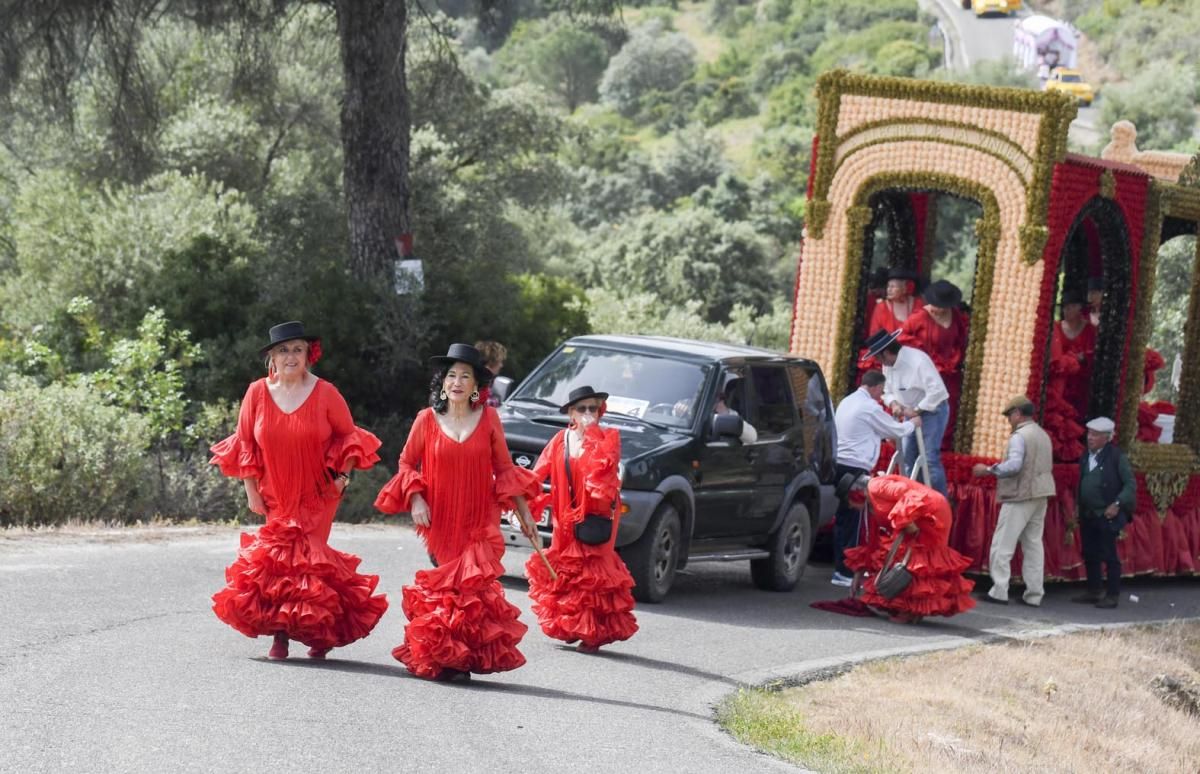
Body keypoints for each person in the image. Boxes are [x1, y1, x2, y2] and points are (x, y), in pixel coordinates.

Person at [210, 321, 388, 661]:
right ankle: (282, 634)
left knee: (309, 560)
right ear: (272, 358)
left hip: (318, 492)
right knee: (279, 562)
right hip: (274, 490)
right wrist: (251, 490)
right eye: (282, 350)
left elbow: (350, 437)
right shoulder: (257, 393)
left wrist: (342, 476)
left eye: (296, 349)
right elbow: (245, 442)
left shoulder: (326, 393)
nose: (290, 356)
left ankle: (316, 629)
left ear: (309, 355)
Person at [375, 343, 541, 681]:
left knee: (471, 590)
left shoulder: (490, 418)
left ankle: (460, 659)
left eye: (465, 376)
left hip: (480, 516)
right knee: (447, 591)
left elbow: (505, 468)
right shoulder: (426, 419)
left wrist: (525, 515)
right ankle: (444, 654)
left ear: (477, 385)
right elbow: (407, 462)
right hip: (441, 518)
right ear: (443, 382)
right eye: (451, 375)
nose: (457, 382)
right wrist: (417, 498)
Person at [525, 386, 638, 652]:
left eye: (593, 408)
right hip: (565, 520)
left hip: (595, 517)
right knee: (566, 571)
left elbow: (604, 481)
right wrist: (521, 501)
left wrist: (595, 438)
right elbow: (537, 474)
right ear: (571, 413)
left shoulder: (608, 438)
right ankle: (570, 624)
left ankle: (593, 633)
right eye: (582, 408)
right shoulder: (559, 440)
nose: (588, 414)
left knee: (593, 575)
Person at [843, 475, 975, 624]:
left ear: (857, 494)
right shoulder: (872, 498)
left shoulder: (875, 486)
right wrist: (858, 575)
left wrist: (906, 520)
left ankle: (908, 610)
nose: (850, 507)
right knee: (918, 559)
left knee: (919, 560)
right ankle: (912, 610)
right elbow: (870, 543)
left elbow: (906, 492)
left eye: (849, 502)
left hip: (929, 512)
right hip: (927, 510)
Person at [831, 370, 920, 586]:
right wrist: (913, 424)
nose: (881, 395)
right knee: (855, 521)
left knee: (844, 519)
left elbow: (869, 430)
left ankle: (840, 569)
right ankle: (845, 571)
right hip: (855, 470)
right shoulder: (869, 407)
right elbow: (895, 429)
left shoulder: (848, 401)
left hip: (840, 465)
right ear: (874, 387)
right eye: (881, 390)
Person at [972, 396, 1055, 606]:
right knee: (1033, 545)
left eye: (1010, 415)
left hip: (1020, 495)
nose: (1009, 420)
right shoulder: (1042, 434)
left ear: (1018, 413)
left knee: (1002, 544)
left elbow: (1015, 465)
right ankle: (1034, 594)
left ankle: (999, 590)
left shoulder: (1019, 436)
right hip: (1041, 493)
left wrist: (989, 470)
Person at [862, 329, 951, 497]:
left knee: (930, 457)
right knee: (907, 457)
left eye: (878, 357)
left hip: (932, 410)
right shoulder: (887, 365)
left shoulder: (917, 361)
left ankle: (939, 501)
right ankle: (915, 498)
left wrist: (917, 410)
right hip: (909, 411)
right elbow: (886, 391)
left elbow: (937, 391)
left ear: (887, 353)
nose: (877, 361)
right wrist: (894, 403)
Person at [1072, 417, 1135, 609]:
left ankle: (1113, 594)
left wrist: (1117, 503)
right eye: (1089, 434)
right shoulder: (1086, 456)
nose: (1090, 438)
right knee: (1090, 552)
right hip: (1088, 512)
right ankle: (1094, 589)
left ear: (1107, 438)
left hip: (1107, 513)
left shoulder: (1116, 457)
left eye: (1095, 435)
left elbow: (1130, 484)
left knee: (1109, 554)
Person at [900, 279, 969, 450]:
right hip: (923, 373)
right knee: (921, 407)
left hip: (948, 374)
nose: (938, 310)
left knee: (945, 410)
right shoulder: (919, 317)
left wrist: (955, 359)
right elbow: (901, 338)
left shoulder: (956, 316)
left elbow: (961, 340)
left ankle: (940, 446)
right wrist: (923, 351)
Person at [1051, 288, 1095, 420]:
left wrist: (1081, 359)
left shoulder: (1089, 330)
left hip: (1080, 386)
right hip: (1060, 383)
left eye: (1071, 306)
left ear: (1080, 308)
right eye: (1065, 307)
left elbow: (1091, 357)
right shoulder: (1056, 327)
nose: (1066, 310)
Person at [867, 267, 923, 337]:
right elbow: (874, 335)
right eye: (888, 286)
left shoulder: (919, 305)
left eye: (893, 287)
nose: (889, 289)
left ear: (905, 288)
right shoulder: (881, 307)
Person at [474, 340, 508, 407]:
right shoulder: (476, 382)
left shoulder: (486, 381)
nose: (501, 365)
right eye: (500, 361)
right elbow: (478, 403)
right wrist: (499, 402)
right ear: (491, 361)